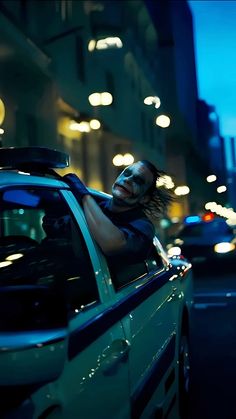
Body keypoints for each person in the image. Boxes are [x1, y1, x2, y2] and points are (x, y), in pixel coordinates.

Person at [63, 160, 173, 264]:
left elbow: (112, 244)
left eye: (138, 181)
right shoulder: (96, 207)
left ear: (144, 198)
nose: (128, 180)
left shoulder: (143, 226)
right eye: (126, 173)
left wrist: (84, 196)